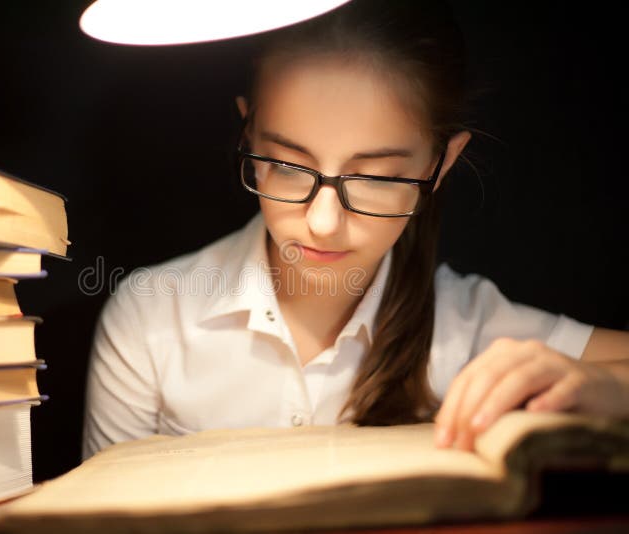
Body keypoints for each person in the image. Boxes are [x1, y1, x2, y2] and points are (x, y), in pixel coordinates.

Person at [82, 0, 629, 460]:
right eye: (288, 165)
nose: (322, 223)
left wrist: (605, 389)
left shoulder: (467, 329)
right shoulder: (152, 321)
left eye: (373, 178)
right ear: (249, 137)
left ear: (439, 166)